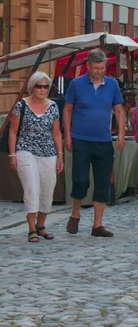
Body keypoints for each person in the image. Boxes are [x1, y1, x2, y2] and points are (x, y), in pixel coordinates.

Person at [64, 49, 125, 237]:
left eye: (102, 68)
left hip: (104, 140)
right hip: (81, 139)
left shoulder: (112, 84)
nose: (100, 71)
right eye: (96, 68)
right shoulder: (76, 84)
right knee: (81, 180)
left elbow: (119, 110)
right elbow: (67, 110)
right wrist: (68, 135)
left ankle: (97, 225)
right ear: (88, 66)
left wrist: (121, 132)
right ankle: (75, 214)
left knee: (102, 183)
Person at [8, 72, 64, 243]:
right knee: (32, 187)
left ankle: (41, 225)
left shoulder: (53, 106)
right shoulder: (21, 105)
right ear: (32, 87)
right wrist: (12, 154)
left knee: (48, 188)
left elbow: (56, 133)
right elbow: (12, 132)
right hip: (26, 150)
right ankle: (31, 228)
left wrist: (60, 155)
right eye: (39, 86)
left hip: (48, 152)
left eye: (45, 87)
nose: (42, 90)